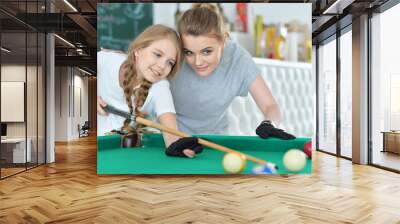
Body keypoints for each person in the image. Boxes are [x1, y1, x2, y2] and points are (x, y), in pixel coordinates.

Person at [171, 3, 295, 140]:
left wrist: (269, 123)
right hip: (170, 139)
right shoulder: (172, 53)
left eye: (206, 51)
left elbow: (270, 105)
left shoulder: (238, 58)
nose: (197, 62)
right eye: (188, 52)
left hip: (216, 142)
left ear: (223, 41)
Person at [97, 24, 203, 158]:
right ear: (138, 50)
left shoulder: (160, 87)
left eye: (170, 62)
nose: (161, 66)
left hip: (136, 156)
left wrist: (177, 145)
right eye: (157, 54)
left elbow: (170, 131)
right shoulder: (104, 60)